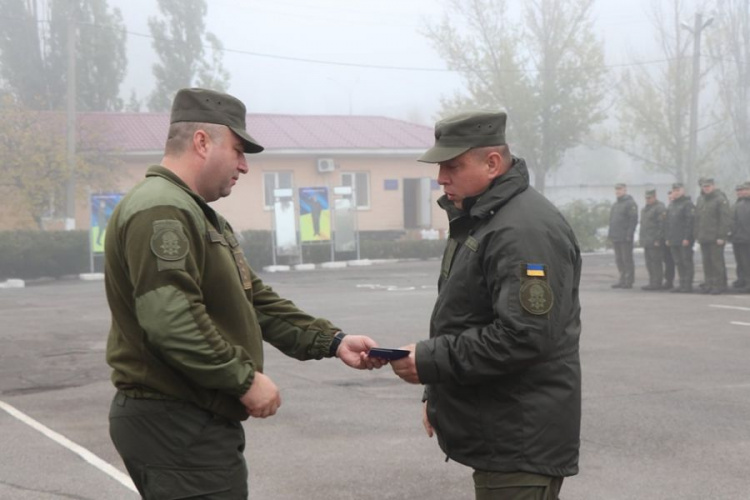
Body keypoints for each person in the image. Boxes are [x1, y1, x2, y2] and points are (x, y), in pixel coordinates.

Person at [104, 88, 385, 499]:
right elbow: (171, 319)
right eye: (238, 150)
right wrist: (244, 380)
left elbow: (253, 300)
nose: (244, 166)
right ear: (201, 142)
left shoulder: (193, 212)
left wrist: (333, 341)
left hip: (188, 420)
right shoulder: (163, 210)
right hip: (177, 423)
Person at [389, 111, 581, 500]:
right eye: (441, 166)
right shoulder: (483, 218)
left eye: (453, 165)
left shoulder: (522, 229)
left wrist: (430, 361)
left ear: (492, 163)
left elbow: (523, 336)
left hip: (520, 442)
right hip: (502, 430)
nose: (442, 177)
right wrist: (436, 391)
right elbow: (465, 316)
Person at [694, 178, 730, 294]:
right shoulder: (701, 200)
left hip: (715, 237)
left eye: (708, 186)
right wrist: (697, 234)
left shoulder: (720, 200)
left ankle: (718, 285)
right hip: (704, 236)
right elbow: (698, 219)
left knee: (716, 263)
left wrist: (722, 236)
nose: (706, 188)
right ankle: (709, 284)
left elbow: (724, 219)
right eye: (704, 186)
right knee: (707, 262)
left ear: (713, 186)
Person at [665, 182, 696, 293]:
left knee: (686, 262)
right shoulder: (672, 205)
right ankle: (682, 283)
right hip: (674, 239)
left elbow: (690, 222)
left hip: (684, 239)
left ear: (683, 191)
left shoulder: (687, 204)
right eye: (674, 190)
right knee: (678, 262)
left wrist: (687, 237)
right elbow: (668, 223)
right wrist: (668, 238)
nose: (676, 192)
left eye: (678, 190)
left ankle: (687, 285)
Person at [608, 183, 638, 289]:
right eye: (617, 190)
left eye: (620, 190)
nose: (618, 192)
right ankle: (622, 279)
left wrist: (629, 234)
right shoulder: (616, 205)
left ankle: (629, 281)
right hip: (616, 236)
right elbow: (612, 221)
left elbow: (633, 220)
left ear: (625, 190)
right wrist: (610, 234)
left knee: (627, 259)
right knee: (619, 259)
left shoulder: (630, 203)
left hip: (625, 237)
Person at [639, 188, 668, 290]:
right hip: (647, 240)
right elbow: (643, 225)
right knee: (649, 263)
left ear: (655, 197)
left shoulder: (659, 208)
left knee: (656, 262)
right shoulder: (645, 209)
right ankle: (652, 281)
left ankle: (657, 282)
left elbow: (661, 225)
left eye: (649, 198)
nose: (647, 200)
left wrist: (658, 239)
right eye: (646, 198)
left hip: (655, 240)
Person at [730, 182, 750, 292]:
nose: (741, 192)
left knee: (747, 262)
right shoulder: (737, 203)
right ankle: (741, 280)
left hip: (747, 237)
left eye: (745, 190)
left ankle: (748, 282)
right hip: (737, 237)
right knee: (740, 261)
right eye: (739, 191)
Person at [662, 189, 676, 289]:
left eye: (672, 197)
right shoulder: (668, 209)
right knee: (668, 262)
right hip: (667, 239)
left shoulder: (680, 208)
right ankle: (669, 281)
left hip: (677, 239)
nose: (671, 199)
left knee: (681, 262)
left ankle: (685, 282)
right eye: (669, 198)